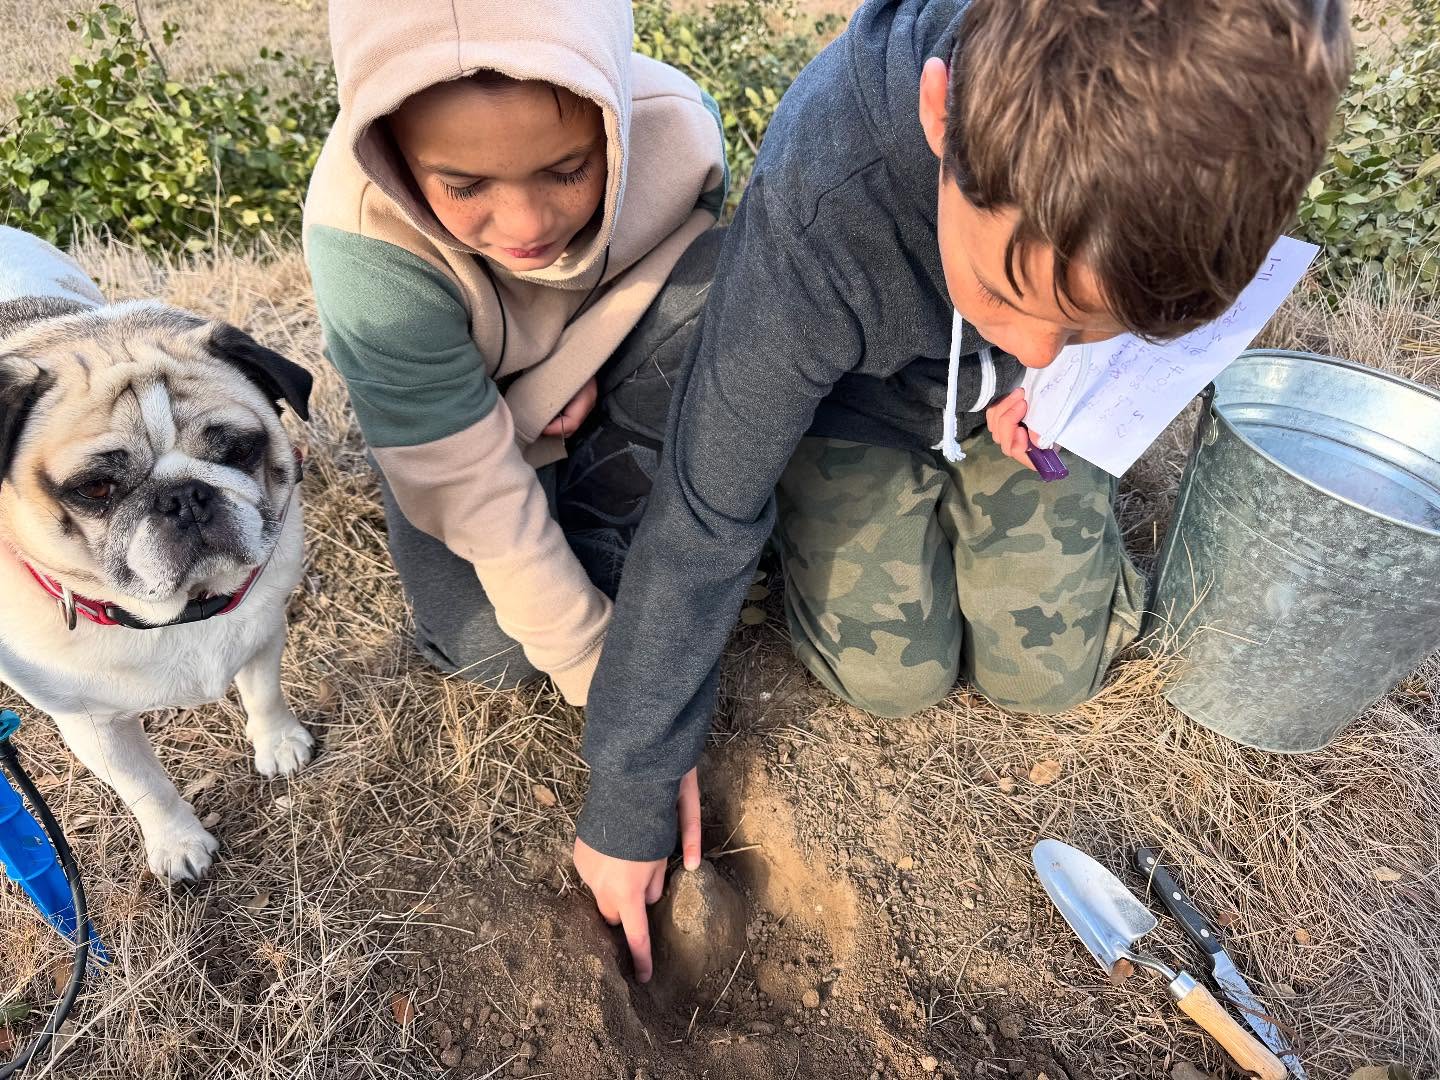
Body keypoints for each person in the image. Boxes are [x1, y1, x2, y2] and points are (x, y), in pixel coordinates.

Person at [575, 0, 1351, 981]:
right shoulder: (826, 202)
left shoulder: (1194, 170)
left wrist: (1061, 377)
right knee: (892, 677)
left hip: (1018, 415)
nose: (1035, 342)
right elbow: (705, 503)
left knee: (1051, 671)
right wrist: (631, 788)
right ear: (942, 114)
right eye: (1009, 295)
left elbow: (1063, 335)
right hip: (861, 403)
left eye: (1084, 320)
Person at [303, 0, 727, 705]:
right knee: (494, 655)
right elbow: (468, 482)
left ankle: (597, 491)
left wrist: (579, 359)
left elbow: (683, 250)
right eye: (465, 185)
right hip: (454, 423)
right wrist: (589, 661)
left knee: (724, 281)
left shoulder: (681, 129)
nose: (527, 225)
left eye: (568, 170)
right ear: (392, 153)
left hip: (595, 349)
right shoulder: (361, 244)